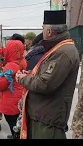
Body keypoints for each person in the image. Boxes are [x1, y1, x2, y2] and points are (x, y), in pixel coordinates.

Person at [16, 10, 80, 139]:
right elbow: (47, 76)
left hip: (48, 121)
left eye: (43, 28)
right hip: (42, 116)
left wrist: (23, 79)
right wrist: (31, 74)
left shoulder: (63, 52)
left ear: (49, 31)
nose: (43, 32)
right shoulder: (57, 49)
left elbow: (45, 84)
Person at [0, 40, 27, 139]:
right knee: (18, 124)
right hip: (19, 98)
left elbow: (2, 84)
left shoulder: (10, 65)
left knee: (13, 124)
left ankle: (15, 136)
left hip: (10, 100)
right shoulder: (23, 62)